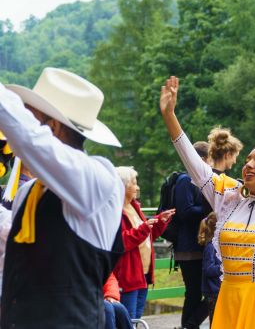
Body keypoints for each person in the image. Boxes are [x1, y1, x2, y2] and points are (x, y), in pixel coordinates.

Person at [160, 76, 255, 329]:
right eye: (248, 159)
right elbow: (194, 164)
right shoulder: (227, 196)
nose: (249, 164)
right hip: (229, 297)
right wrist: (170, 116)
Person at [0, 68, 125, 328]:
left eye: (29, 117)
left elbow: (31, 141)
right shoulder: (28, 192)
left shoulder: (100, 179)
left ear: (52, 127)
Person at [174, 129, 242, 329]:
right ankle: (189, 325)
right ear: (228, 154)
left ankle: (190, 325)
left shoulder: (214, 180)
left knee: (211, 295)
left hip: (209, 242)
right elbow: (193, 210)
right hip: (210, 244)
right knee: (206, 294)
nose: (235, 162)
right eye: (235, 157)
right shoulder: (220, 183)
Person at [113, 166, 175, 319]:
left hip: (142, 275)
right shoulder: (115, 210)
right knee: (128, 320)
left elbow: (146, 236)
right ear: (123, 186)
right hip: (128, 277)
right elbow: (121, 242)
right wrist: (143, 229)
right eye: (134, 183)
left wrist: (160, 221)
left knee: (137, 319)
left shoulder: (134, 207)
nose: (137, 187)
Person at [198, 212, 221, 327]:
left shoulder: (216, 245)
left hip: (217, 291)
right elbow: (208, 269)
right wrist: (223, 267)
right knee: (215, 322)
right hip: (213, 292)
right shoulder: (210, 247)